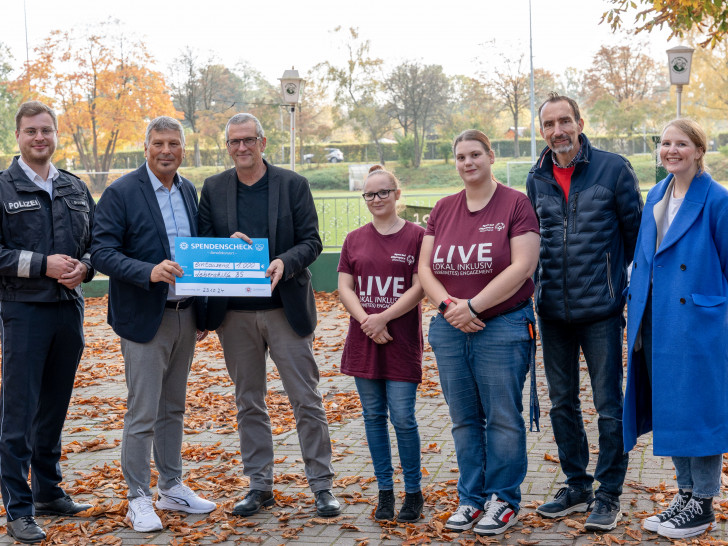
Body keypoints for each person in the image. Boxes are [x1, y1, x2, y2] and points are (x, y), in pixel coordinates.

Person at [198, 113, 339, 518]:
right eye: (233, 142)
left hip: (284, 310)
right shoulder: (213, 188)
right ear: (227, 147)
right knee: (249, 403)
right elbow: (202, 243)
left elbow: (312, 241)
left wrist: (284, 261)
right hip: (235, 316)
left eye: (248, 140)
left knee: (306, 399)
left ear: (262, 142)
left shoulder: (292, 184)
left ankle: (322, 486)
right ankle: (259, 485)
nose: (241, 148)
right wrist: (224, 245)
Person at [91, 116, 215, 533]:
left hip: (185, 315)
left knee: (173, 409)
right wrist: (147, 270)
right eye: (158, 143)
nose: (166, 150)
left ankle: (171, 486)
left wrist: (225, 250)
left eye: (174, 144)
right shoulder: (122, 192)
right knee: (142, 412)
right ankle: (138, 497)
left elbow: (197, 250)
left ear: (183, 149)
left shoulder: (187, 190)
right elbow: (102, 252)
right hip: (145, 318)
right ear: (146, 147)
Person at [526, 93, 643, 531]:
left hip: (602, 311)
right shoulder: (535, 177)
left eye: (564, 121)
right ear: (542, 131)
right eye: (549, 124)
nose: (558, 131)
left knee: (609, 405)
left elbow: (635, 237)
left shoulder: (613, 168)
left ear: (579, 122)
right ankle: (577, 485)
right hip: (552, 310)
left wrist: (621, 286)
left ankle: (609, 493)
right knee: (561, 404)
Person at [418, 130, 540, 536]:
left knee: (502, 418)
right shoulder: (443, 208)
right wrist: (451, 308)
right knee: (463, 419)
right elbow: (424, 270)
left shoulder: (515, 204)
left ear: (490, 156)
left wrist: (474, 306)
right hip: (451, 327)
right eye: (460, 156)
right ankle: (471, 498)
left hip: (502, 325)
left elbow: (522, 266)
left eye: (475, 155)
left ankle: (503, 499)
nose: (468, 162)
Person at [623, 119, 728, 539]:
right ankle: (684, 494)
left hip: (699, 323)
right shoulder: (655, 195)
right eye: (665, 143)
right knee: (672, 407)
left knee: (699, 411)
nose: (671, 150)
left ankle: (703, 503)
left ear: (699, 151)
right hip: (657, 317)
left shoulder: (717, 200)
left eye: (681, 143)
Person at [0, 101, 94, 544]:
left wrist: (85, 269)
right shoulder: (3, 188)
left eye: (47, 130)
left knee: (54, 409)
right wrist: (43, 264)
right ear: (17, 137)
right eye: (31, 131)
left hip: (68, 312)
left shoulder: (75, 187)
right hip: (23, 313)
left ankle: (48, 492)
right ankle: (18, 510)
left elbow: (96, 245)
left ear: (56, 135)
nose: (40, 137)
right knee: (18, 414)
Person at [337, 166, 425, 522]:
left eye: (383, 193)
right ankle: (385, 492)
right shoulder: (354, 238)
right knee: (373, 417)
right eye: (369, 195)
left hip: (400, 341)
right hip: (364, 341)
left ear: (396, 194)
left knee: (403, 419)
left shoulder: (418, 236)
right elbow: (345, 287)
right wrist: (367, 322)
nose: (376, 200)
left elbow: (421, 286)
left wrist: (384, 318)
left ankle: (414, 493)